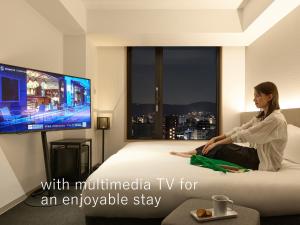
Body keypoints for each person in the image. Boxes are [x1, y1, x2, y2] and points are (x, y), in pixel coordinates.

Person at [170, 82, 287, 171]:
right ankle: (192, 152)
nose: (254, 99)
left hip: (265, 161)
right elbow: (241, 129)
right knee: (222, 144)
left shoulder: (275, 119)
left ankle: (196, 154)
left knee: (222, 148)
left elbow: (246, 134)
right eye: (254, 96)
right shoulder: (262, 115)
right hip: (256, 154)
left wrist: (218, 143)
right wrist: (216, 139)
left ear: (270, 97)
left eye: (258, 96)